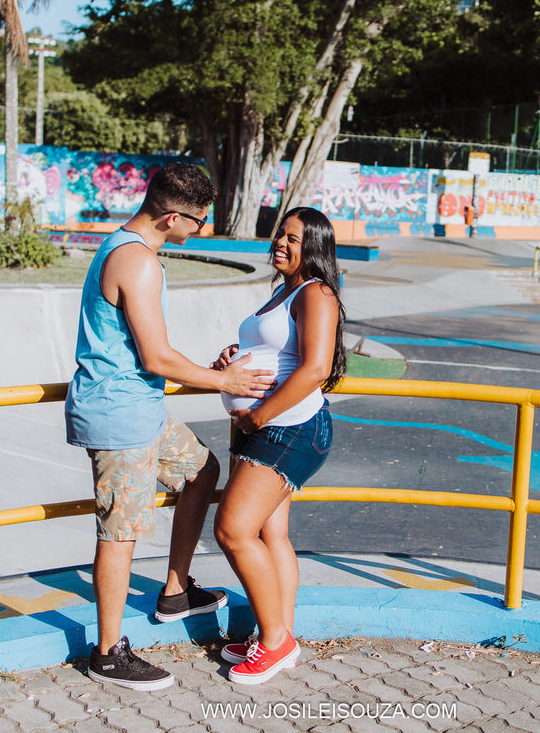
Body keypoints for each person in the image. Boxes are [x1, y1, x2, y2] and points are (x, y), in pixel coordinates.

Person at [64, 162, 274, 691]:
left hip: (143, 409)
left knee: (201, 472)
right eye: (200, 221)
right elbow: (156, 356)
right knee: (121, 532)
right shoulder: (137, 262)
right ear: (173, 218)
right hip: (119, 416)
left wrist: (211, 370)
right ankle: (108, 653)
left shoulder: (127, 249)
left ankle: (176, 592)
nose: (202, 229)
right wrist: (224, 379)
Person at [212, 206, 346, 685]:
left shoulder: (317, 293)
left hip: (288, 428)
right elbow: (277, 350)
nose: (281, 244)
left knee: (232, 530)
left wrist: (257, 415)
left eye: (293, 238)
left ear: (313, 247)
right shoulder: (284, 290)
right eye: (280, 235)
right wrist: (234, 357)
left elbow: (316, 368)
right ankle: (279, 634)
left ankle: (274, 642)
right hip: (268, 426)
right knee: (272, 535)